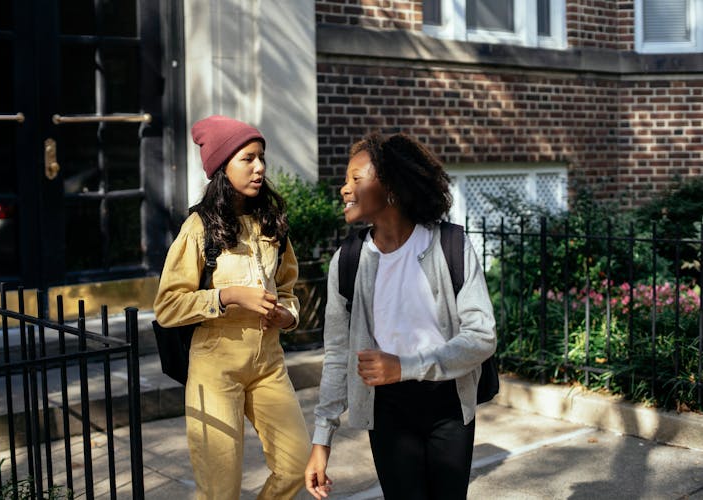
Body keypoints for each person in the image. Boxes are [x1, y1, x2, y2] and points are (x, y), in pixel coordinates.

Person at [304, 132, 497, 500]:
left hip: (449, 406)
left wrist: (404, 366)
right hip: (387, 410)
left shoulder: (450, 245)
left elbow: (482, 336)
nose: (344, 189)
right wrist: (321, 439)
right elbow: (337, 357)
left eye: (356, 179)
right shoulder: (347, 261)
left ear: (390, 187)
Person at [154, 115, 311, 499]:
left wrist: (286, 315)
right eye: (248, 158)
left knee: (297, 465)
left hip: (268, 363)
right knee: (220, 488)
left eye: (262, 158)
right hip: (214, 367)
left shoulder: (272, 222)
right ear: (223, 167)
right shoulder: (199, 227)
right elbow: (168, 306)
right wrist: (228, 296)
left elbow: (289, 287)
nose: (259, 168)